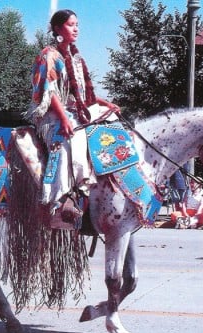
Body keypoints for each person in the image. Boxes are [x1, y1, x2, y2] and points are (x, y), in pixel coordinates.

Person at [25, 9, 120, 220]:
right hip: (52, 115)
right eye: (70, 25)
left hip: (76, 111)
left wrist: (105, 103)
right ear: (58, 29)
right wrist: (64, 118)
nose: (75, 29)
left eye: (77, 24)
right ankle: (61, 200)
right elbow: (49, 92)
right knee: (70, 141)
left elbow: (83, 95)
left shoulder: (75, 57)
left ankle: (109, 187)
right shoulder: (48, 55)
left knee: (111, 122)